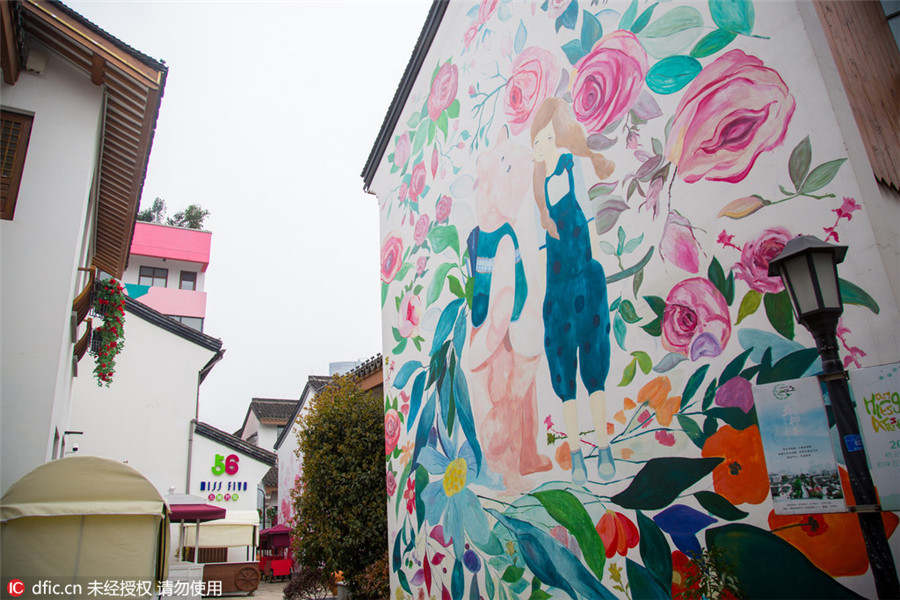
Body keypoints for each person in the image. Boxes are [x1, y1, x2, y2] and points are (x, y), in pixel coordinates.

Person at [531, 97, 616, 483]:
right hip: (558, 294)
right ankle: (578, 454)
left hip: (587, 280)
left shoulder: (573, 166)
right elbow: (540, 250)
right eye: (536, 141)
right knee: (564, 375)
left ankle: (604, 447)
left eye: (546, 137)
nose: (541, 146)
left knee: (594, 366)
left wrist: (598, 275)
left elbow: (592, 224)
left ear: (558, 136)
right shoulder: (540, 198)